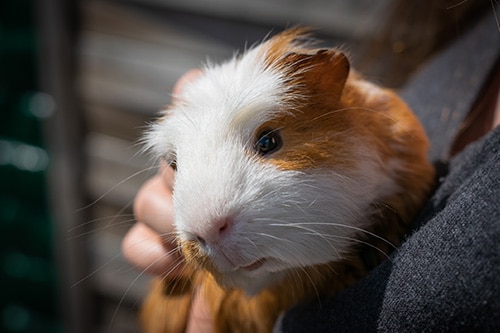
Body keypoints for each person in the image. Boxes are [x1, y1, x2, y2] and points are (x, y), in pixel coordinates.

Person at [122, 3, 500, 332]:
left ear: (327, 84)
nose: (207, 226)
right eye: (177, 162)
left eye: (268, 143)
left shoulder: (399, 150)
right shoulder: (472, 32)